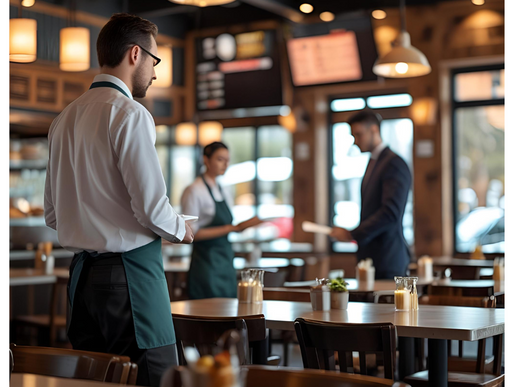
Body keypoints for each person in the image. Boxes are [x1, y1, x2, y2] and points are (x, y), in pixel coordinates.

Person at [44, 13, 194, 387]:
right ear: (134, 54)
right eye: (155, 61)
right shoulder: (130, 114)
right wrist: (182, 229)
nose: (155, 73)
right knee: (156, 377)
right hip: (131, 278)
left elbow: (52, 215)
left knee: (94, 381)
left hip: (81, 281)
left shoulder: (63, 119)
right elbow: (150, 208)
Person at [330, 111, 412, 279]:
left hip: (387, 259)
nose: (355, 141)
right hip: (373, 259)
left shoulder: (393, 163)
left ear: (374, 130)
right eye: (353, 136)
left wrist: (352, 234)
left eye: (358, 135)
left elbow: (390, 213)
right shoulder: (374, 162)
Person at [181, 142, 261, 299]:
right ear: (206, 160)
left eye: (227, 160)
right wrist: (232, 228)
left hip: (226, 261)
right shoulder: (194, 190)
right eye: (220, 159)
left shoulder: (224, 189)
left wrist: (237, 228)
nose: (225, 164)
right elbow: (190, 234)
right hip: (206, 263)